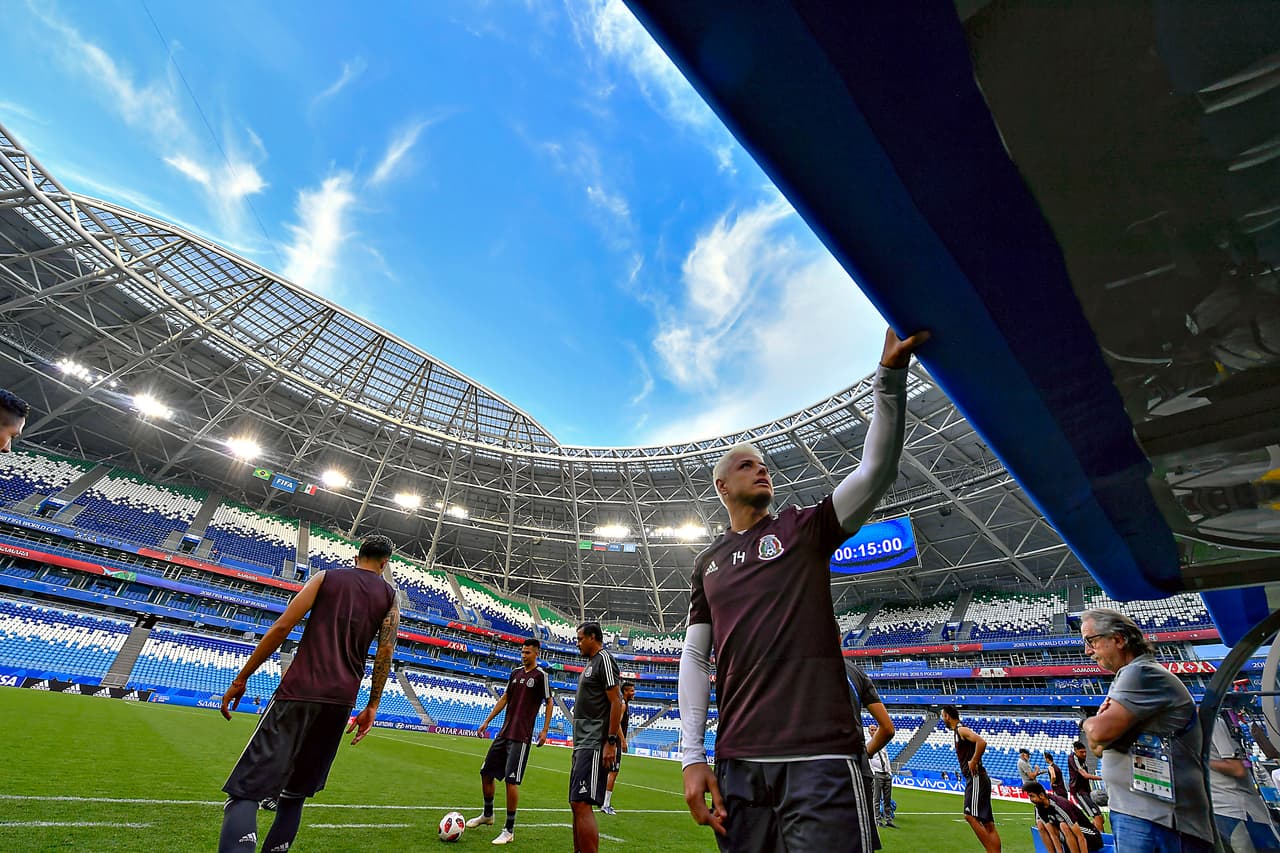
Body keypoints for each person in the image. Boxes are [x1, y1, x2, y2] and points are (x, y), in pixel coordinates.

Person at [679, 328, 928, 853]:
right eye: (746, 464)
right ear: (723, 486)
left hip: (822, 756)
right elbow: (695, 659)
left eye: (764, 463)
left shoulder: (801, 528)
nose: (761, 468)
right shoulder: (707, 563)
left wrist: (888, 379)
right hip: (739, 763)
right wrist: (692, 756)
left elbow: (875, 472)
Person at [216, 535, 399, 853]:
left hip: (298, 692)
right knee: (294, 796)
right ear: (384, 563)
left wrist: (242, 678)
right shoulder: (389, 596)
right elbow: (385, 652)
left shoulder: (326, 578)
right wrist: (372, 706)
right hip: (341, 702)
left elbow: (283, 627)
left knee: (246, 793)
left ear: (358, 555)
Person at [1080, 607, 1213, 853]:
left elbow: (1098, 735)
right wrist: (1098, 732)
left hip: (1160, 818)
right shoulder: (1130, 675)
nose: (1087, 651)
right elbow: (1097, 749)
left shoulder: (1141, 673)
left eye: (1091, 641)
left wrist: (1088, 722)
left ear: (1118, 639)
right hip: (1143, 812)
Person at [466, 638, 553, 845]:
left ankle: (509, 829)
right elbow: (505, 698)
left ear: (536, 654)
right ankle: (488, 814)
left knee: (511, 781)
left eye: (528, 653)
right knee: (486, 773)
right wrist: (487, 721)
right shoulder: (515, 673)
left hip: (521, 737)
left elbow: (549, 702)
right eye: (522, 652)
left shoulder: (542, 676)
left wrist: (545, 730)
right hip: (504, 733)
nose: (524, 656)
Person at [569, 622, 624, 853]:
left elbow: (616, 701)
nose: (578, 643)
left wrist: (611, 742)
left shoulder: (604, 660)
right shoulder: (591, 663)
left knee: (582, 803)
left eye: (581, 638)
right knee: (576, 803)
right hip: (582, 742)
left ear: (593, 637)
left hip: (594, 742)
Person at [1209, 714, 1280, 853]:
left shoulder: (1214, 723)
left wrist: (1198, 760)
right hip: (1215, 808)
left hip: (1237, 810)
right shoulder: (1180, 731)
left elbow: (1237, 769)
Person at [942, 705, 1002, 853]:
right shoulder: (958, 732)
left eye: (942, 715)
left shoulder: (961, 729)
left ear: (947, 716)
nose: (942, 719)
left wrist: (974, 760)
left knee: (969, 816)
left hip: (976, 778)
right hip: (979, 778)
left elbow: (981, 742)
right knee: (988, 823)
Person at [1025, 781, 1105, 853]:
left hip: (1091, 837)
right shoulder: (1039, 807)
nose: (1031, 799)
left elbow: (1080, 837)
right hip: (1070, 836)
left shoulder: (1059, 805)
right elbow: (1053, 834)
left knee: (1064, 826)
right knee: (1041, 825)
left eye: (1032, 796)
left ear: (1041, 795)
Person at [601, 680, 636, 816]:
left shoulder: (623, 703)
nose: (634, 693)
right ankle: (606, 804)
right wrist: (622, 741)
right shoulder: (622, 705)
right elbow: (618, 723)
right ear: (625, 691)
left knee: (609, 772)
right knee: (613, 773)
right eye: (632, 690)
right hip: (615, 743)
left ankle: (603, 801)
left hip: (613, 742)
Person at [1067, 741, 1106, 833]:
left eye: (1085, 752)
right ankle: (1101, 839)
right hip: (1079, 792)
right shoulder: (1073, 758)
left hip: (1086, 791)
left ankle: (1091, 833)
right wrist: (1103, 777)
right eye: (1081, 752)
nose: (1084, 754)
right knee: (1097, 816)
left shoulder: (1082, 760)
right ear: (1075, 751)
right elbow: (1085, 775)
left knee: (1100, 818)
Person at [868, 723, 896, 828]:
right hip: (877, 773)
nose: (874, 731)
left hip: (886, 774)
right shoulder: (868, 743)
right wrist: (873, 773)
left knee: (887, 799)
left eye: (875, 729)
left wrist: (889, 772)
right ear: (869, 732)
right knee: (876, 798)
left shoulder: (882, 744)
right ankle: (877, 820)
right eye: (872, 730)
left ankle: (888, 820)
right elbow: (868, 760)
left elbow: (886, 759)